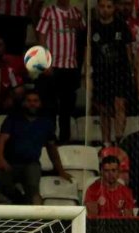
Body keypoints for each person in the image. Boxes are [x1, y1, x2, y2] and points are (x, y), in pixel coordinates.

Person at [0, 91, 71, 205]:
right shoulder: (12, 119)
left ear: (40, 103)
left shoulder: (46, 123)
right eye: (29, 101)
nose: (32, 104)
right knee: (1, 182)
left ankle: (36, 215)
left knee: (33, 189)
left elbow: (52, 149)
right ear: (23, 103)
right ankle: (21, 202)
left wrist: (60, 170)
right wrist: (1, 160)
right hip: (10, 163)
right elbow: (1, 140)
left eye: (35, 101)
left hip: (31, 163)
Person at [35, 0, 85, 144]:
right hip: (53, 66)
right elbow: (41, 36)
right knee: (50, 106)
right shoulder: (49, 12)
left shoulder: (76, 13)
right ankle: (49, 139)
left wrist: (76, 24)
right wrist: (45, 62)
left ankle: (65, 140)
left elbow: (84, 33)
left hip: (70, 67)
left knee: (67, 108)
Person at [92, 0, 134, 145]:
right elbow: (87, 51)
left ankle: (119, 141)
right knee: (104, 109)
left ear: (114, 8)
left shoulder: (121, 26)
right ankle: (106, 142)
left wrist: (131, 72)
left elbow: (128, 51)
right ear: (98, 7)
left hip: (120, 73)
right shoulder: (93, 27)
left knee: (120, 105)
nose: (105, 10)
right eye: (102, 6)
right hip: (101, 74)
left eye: (109, 6)